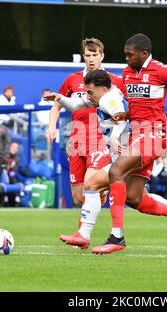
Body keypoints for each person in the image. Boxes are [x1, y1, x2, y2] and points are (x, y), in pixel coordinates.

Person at [44, 69, 167, 249]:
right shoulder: (102, 97)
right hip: (137, 145)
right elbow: (76, 105)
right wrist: (60, 98)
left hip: (143, 142)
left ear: (103, 88)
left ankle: (113, 236)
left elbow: (122, 119)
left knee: (102, 178)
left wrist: (115, 137)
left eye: (90, 92)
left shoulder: (110, 100)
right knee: (133, 197)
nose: (88, 95)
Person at [93, 33, 167, 254]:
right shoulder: (127, 74)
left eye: (129, 55)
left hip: (154, 135)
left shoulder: (162, 71)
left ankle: (117, 237)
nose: (126, 58)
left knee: (116, 172)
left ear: (144, 53)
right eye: (125, 55)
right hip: (136, 134)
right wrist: (125, 114)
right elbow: (137, 104)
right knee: (133, 197)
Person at [45, 38, 124, 211]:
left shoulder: (113, 81)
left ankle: (83, 234)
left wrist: (117, 135)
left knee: (90, 185)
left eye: (95, 55)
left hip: (100, 138)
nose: (91, 59)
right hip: (76, 140)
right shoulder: (73, 79)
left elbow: (128, 106)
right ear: (83, 56)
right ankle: (102, 193)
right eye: (88, 55)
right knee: (78, 197)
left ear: (102, 56)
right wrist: (51, 127)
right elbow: (58, 105)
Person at [5, 142, 21, 207]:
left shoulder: (17, 158)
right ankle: (5, 197)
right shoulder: (5, 156)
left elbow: (14, 170)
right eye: (13, 147)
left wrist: (10, 172)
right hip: (2, 174)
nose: (14, 149)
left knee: (12, 177)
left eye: (16, 148)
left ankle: (17, 197)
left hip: (10, 176)